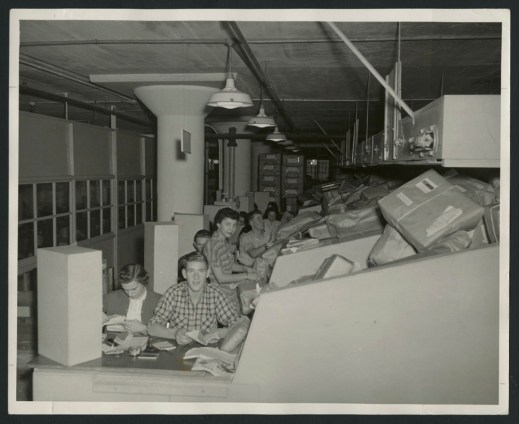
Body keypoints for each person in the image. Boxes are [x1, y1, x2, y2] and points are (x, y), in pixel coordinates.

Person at [148, 252, 243, 345]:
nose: (196, 277)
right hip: (179, 350)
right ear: (185, 274)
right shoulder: (173, 293)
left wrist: (219, 333)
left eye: (201, 271)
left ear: (207, 273)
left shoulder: (216, 294)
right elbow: (152, 327)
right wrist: (175, 334)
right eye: (191, 271)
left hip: (207, 350)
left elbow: (238, 324)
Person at [203, 207, 261, 308]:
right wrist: (246, 275)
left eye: (234, 225)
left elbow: (228, 264)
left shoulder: (223, 241)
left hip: (228, 291)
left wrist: (245, 268)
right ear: (218, 224)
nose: (232, 229)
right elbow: (220, 278)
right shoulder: (213, 245)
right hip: (219, 296)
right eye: (228, 224)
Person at [103, 264, 162, 335]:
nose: (130, 294)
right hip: (114, 343)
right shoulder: (111, 297)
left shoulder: (159, 300)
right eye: (125, 290)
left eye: (134, 289)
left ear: (144, 282)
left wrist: (145, 329)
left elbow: (168, 331)